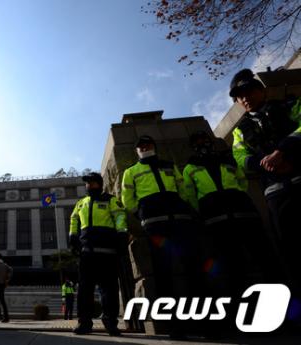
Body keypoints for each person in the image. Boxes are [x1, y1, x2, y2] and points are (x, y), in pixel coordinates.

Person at [183, 131, 280, 329]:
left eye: (205, 140)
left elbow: (242, 182)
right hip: (217, 221)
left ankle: (282, 312)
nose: (203, 144)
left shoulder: (228, 160)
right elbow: (190, 194)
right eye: (198, 142)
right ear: (193, 146)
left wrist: (236, 198)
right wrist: (206, 209)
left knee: (267, 261)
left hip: (245, 215)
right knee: (234, 269)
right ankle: (244, 318)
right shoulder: (190, 167)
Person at [229, 68, 301, 297]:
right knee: (291, 250)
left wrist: (283, 150)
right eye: (239, 96)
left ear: (261, 90)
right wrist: (265, 162)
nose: (244, 98)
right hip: (277, 195)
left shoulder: (289, 106)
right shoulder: (241, 130)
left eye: (248, 91)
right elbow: (240, 158)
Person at [121, 135, 199, 338]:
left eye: (147, 144)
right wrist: (140, 212)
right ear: (136, 150)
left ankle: (200, 320)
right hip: (154, 224)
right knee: (163, 272)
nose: (144, 147)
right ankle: (174, 325)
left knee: (192, 267)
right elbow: (127, 199)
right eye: (140, 146)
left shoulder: (169, 165)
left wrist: (185, 206)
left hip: (180, 220)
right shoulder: (131, 172)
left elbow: (183, 188)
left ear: (154, 146)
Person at [69, 172, 128, 336]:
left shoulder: (111, 200)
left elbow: (120, 216)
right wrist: (72, 237)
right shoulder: (81, 203)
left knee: (109, 290)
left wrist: (122, 235)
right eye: (87, 183)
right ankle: (84, 323)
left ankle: (111, 323)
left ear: (100, 184)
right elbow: (74, 219)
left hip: (108, 253)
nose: (90, 185)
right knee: (84, 291)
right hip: (87, 254)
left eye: (93, 182)